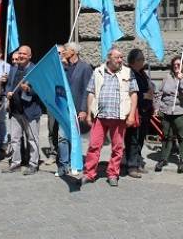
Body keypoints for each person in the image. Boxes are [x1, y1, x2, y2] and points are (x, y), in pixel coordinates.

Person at [81, 47, 138, 187]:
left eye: (121, 57)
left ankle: (113, 173)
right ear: (109, 58)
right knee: (94, 146)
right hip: (100, 116)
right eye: (117, 57)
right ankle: (89, 173)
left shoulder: (128, 72)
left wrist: (131, 115)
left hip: (119, 117)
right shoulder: (98, 71)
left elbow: (133, 94)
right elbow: (91, 93)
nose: (120, 60)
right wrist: (89, 113)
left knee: (117, 148)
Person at [3, 45, 42, 175]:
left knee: (32, 139)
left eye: (24, 54)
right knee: (14, 139)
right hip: (15, 110)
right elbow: (8, 85)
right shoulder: (13, 69)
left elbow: (41, 90)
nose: (21, 56)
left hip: (30, 111)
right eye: (19, 53)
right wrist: (7, 92)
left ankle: (33, 164)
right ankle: (15, 164)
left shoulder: (35, 70)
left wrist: (29, 90)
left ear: (30, 56)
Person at [58, 41, 92, 177]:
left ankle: (75, 163)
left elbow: (88, 90)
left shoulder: (85, 67)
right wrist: (63, 67)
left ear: (73, 52)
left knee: (76, 137)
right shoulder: (62, 66)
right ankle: (63, 165)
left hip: (78, 108)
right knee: (62, 137)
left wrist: (84, 109)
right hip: (64, 108)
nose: (63, 52)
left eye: (66, 49)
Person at [155, 56, 183, 174]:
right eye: (175, 64)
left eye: (179, 64)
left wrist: (180, 80)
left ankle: (182, 160)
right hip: (166, 110)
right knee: (166, 135)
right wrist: (157, 107)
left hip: (180, 111)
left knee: (182, 136)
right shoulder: (168, 76)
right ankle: (163, 159)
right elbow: (159, 92)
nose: (176, 66)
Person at [124, 48, 154, 178]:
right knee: (133, 140)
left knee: (140, 139)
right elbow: (128, 92)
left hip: (145, 112)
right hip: (134, 112)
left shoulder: (142, 73)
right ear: (134, 61)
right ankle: (131, 166)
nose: (143, 61)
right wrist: (145, 95)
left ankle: (137, 162)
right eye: (141, 59)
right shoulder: (129, 73)